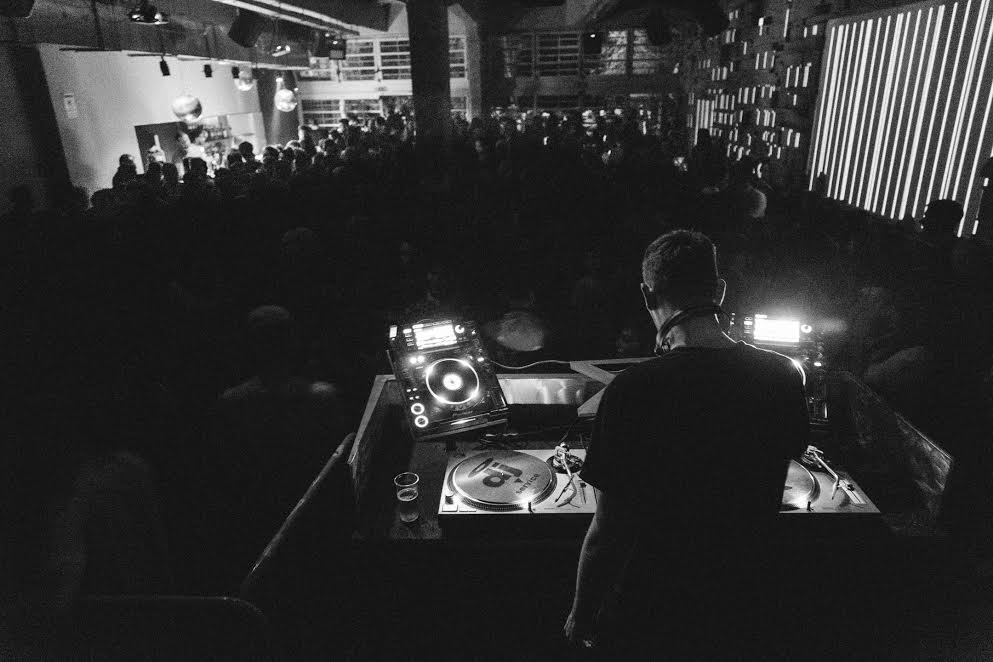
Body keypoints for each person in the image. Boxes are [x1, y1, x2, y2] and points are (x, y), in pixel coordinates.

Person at [563, 230, 808, 659]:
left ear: (647, 295)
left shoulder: (632, 390)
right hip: (747, 596)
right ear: (719, 291)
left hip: (655, 604)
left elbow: (608, 532)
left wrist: (581, 616)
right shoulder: (784, 375)